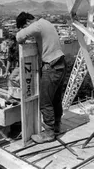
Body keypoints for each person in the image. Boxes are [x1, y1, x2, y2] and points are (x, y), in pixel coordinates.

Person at [16, 12, 66, 143]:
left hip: (51, 65)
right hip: (60, 63)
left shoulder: (38, 25)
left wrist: (23, 36)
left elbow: (19, 37)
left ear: (27, 22)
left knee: (45, 102)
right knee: (55, 99)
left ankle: (49, 133)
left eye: (24, 26)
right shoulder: (46, 23)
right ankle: (56, 127)